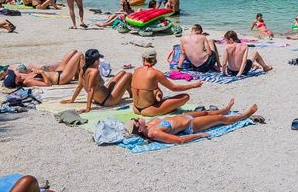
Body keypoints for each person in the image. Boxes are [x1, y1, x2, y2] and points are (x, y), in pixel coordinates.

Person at [128, 101, 259, 144]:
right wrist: (199, 135)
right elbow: (179, 140)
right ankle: (245, 115)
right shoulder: (154, 133)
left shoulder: (149, 123)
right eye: (136, 121)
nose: (137, 119)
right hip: (191, 125)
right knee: (221, 119)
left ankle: (225, 109)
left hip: (184, 116)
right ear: (140, 129)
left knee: (206, 112)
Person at [131, 50, 202, 116]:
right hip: (149, 110)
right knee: (185, 97)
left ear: (143, 59)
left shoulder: (136, 70)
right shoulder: (155, 73)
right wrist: (193, 85)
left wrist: (157, 92)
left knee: (159, 96)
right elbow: (174, 88)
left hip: (135, 108)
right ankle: (167, 109)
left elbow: (146, 88)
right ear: (154, 60)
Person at [60, 51, 133, 110]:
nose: (99, 61)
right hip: (108, 100)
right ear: (95, 61)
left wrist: (72, 100)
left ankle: (131, 94)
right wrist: (88, 108)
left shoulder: (83, 70)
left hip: (102, 96)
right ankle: (132, 95)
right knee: (128, 75)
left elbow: (79, 86)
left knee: (122, 73)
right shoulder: (94, 72)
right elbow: (91, 89)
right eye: (98, 60)